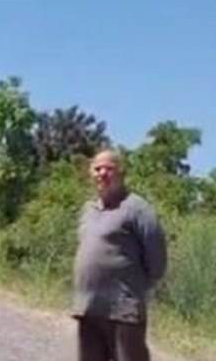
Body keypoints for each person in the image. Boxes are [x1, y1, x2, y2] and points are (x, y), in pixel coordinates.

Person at [72, 149, 168, 361]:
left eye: (109, 168)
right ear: (90, 173)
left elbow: (157, 259)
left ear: (121, 173)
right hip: (88, 307)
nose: (102, 173)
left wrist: (136, 289)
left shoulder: (137, 208)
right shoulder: (88, 210)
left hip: (123, 309)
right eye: (97, 168)